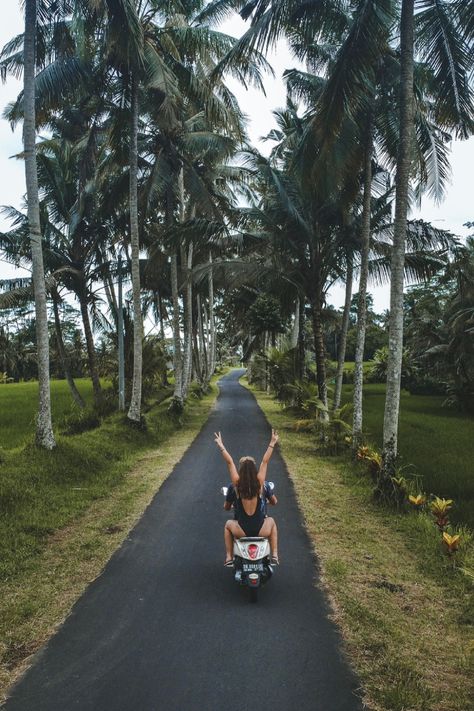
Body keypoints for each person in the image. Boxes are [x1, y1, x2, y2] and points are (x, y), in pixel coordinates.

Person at [214, 430, 279, 567]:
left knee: (227, 525)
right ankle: (274, 555)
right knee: (272, 521)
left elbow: (230, 462)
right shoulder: (260, 484)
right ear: (255, 470)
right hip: (261, 530)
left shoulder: (237, 485)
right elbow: (265, 461)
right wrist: (272, 442)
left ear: (241, 470)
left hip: (242, 531)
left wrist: (221, 445)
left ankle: (228, 557)